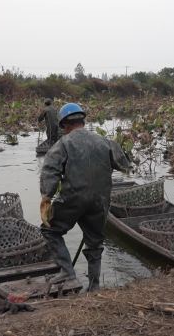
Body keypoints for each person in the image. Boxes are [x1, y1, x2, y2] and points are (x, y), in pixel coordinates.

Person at [39, 103, 129, 291]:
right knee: (94, 243)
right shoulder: (105, 142)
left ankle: (68, 272)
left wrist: (46, 197)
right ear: (83, 120)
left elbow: (50, 171)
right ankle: (94, 286)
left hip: (73, 199)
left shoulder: (63, 144)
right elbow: (125, 165)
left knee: (50, 231)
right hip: (100, 201)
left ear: (64, 125)